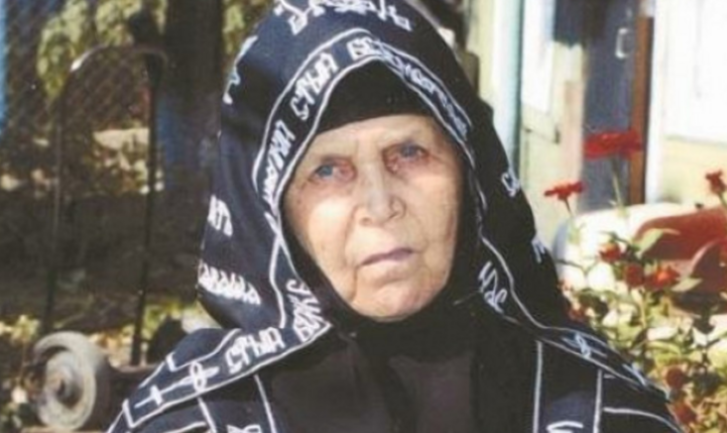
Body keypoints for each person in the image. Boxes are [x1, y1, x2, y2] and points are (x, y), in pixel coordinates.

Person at [108, 1, 682, 432]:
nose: (381, 204)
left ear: (469, 173)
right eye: (327, 170)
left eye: (409, 152)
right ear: (272, 211)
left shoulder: (596, 408)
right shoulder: (197, 420)